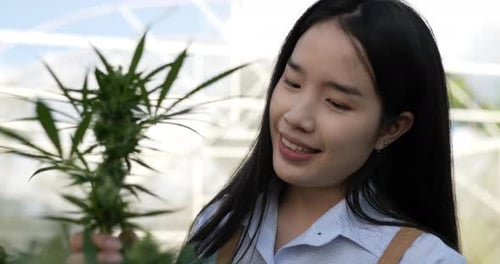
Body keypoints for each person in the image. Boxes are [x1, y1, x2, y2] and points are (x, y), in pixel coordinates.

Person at [69, 0, 466, 263]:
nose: (297, 116)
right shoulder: (219, 225)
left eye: (337, 103)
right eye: (292, 83)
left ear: (392, 128)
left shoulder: (423, 259)